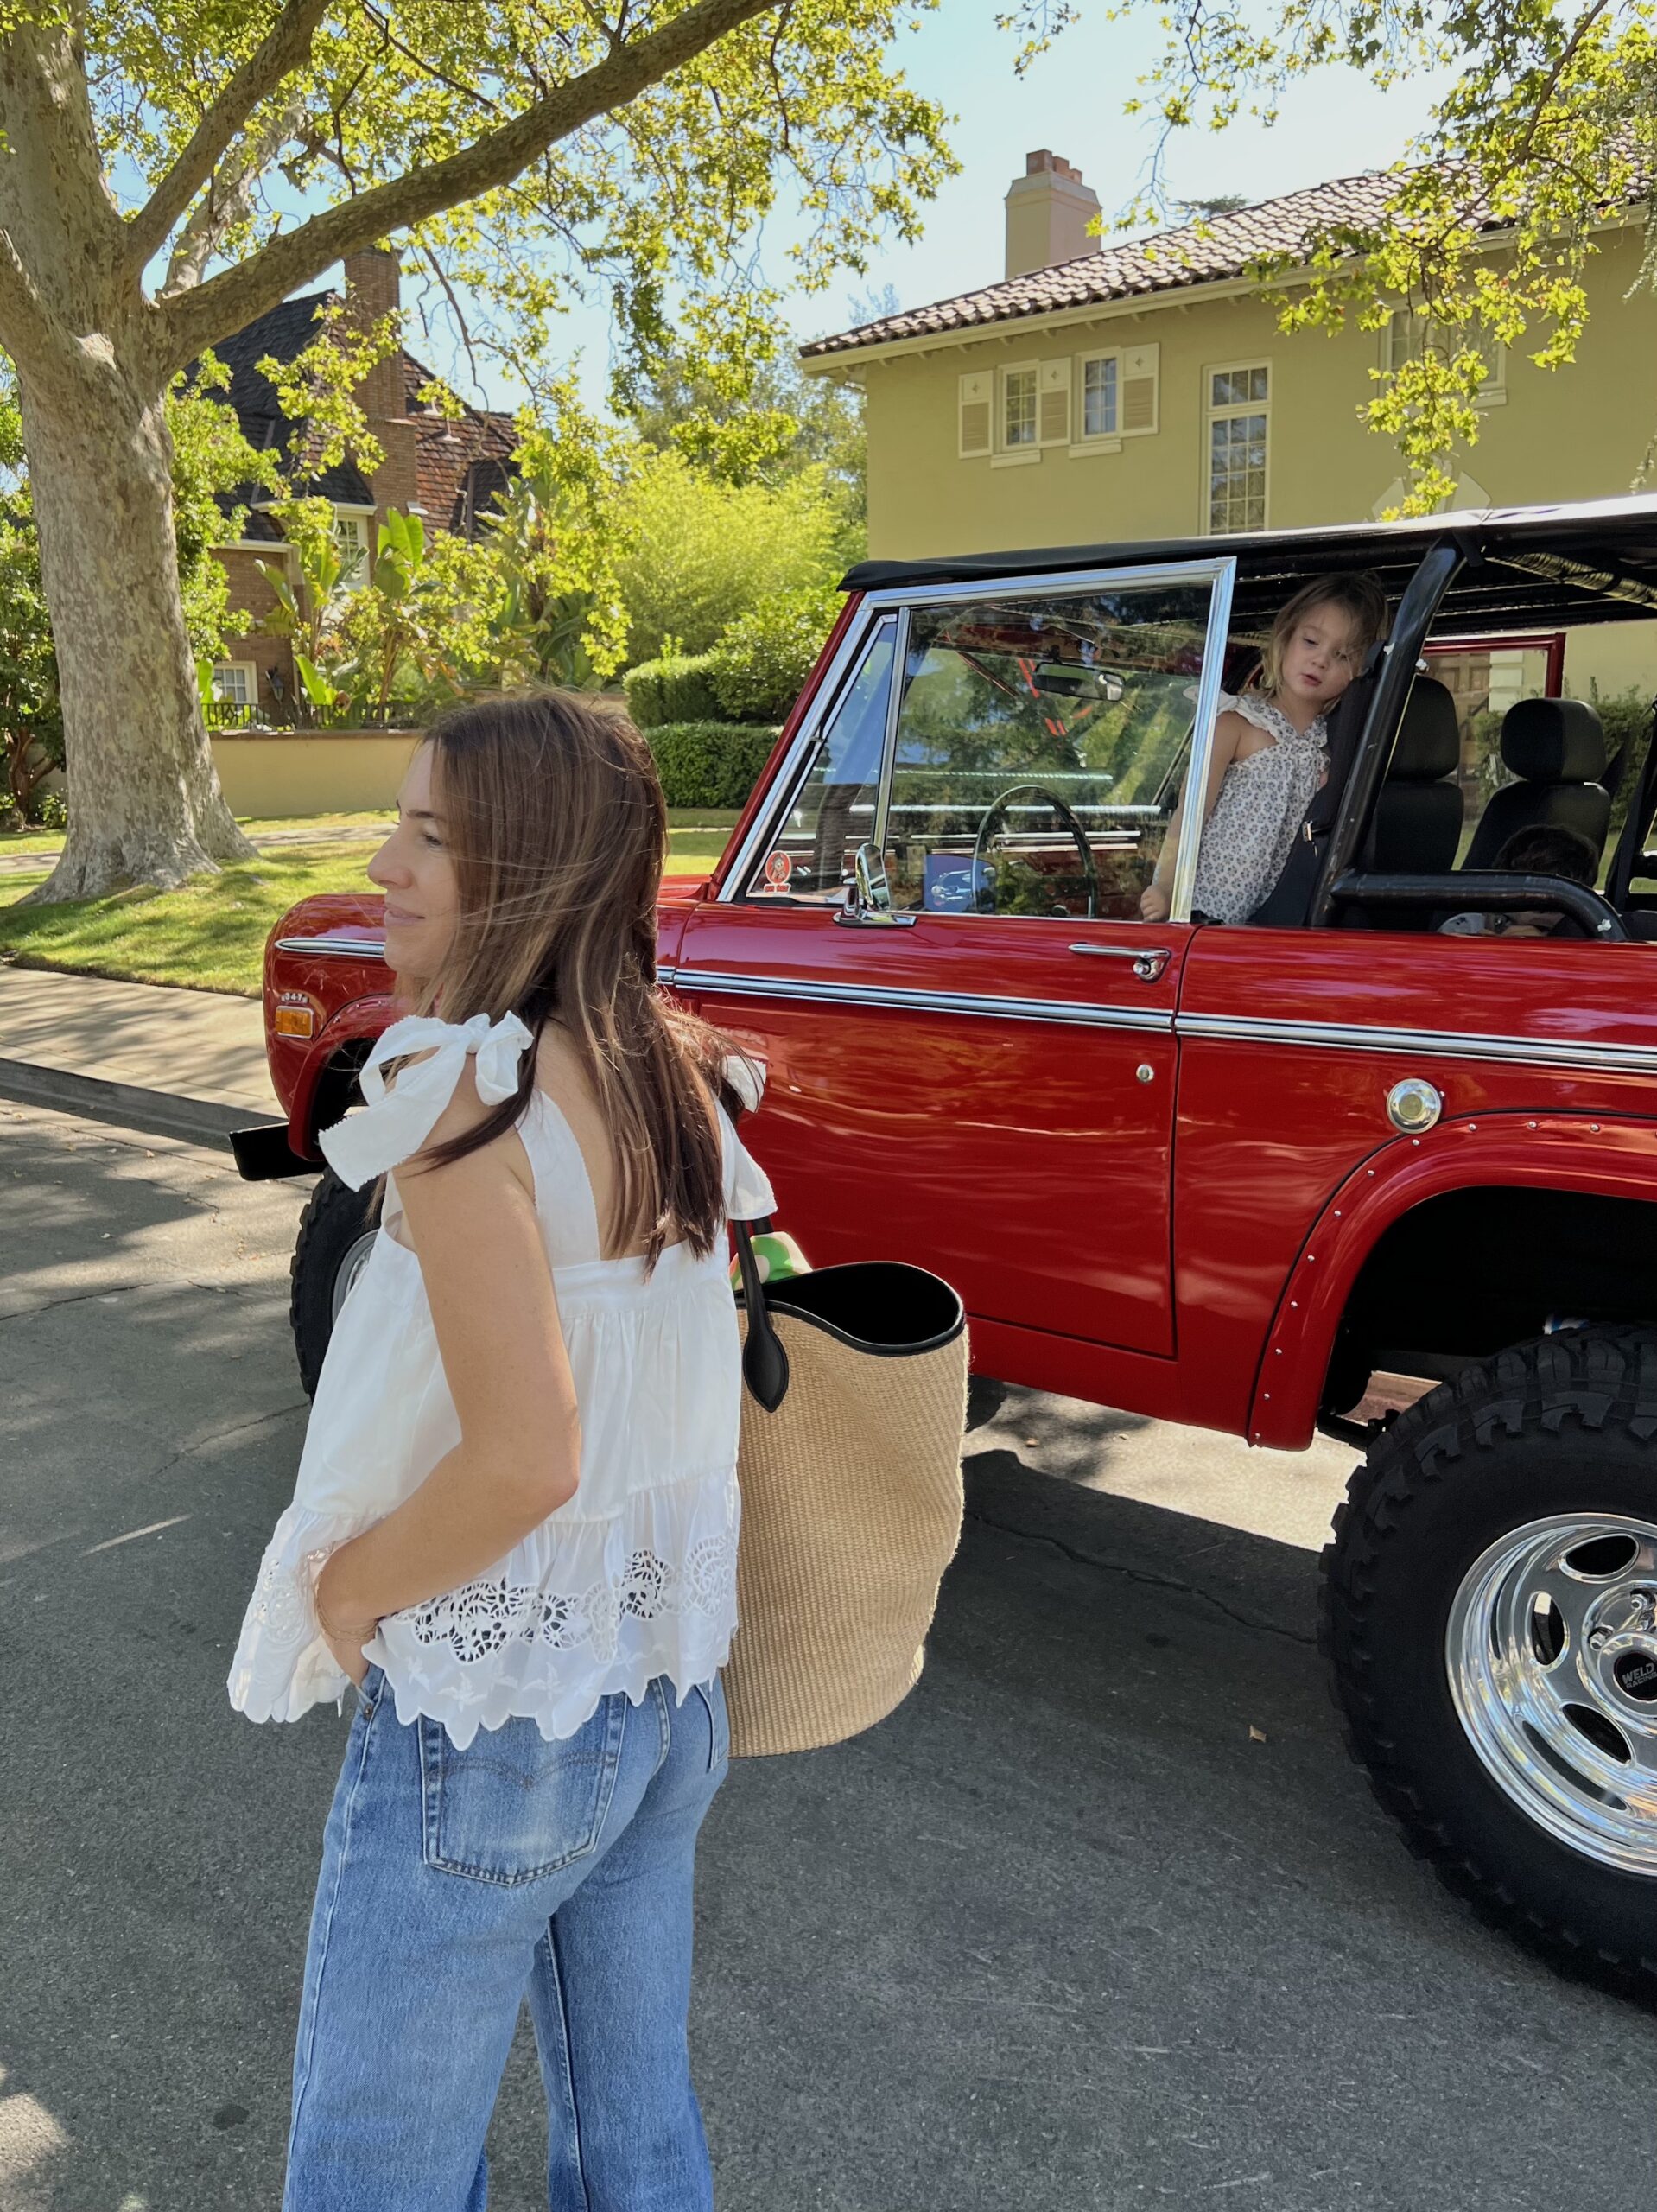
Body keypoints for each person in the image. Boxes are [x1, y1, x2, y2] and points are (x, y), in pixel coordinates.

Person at [227, 692, 773, 2211]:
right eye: (396, 824)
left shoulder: (461, 1094)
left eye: (431, 838)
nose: (387, 864)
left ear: (528, 869)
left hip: (491, 1711)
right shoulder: (669, 1066)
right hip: (662, 1698)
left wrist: (347, 1595)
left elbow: (528, 1455)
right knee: (634, 2137)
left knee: (373, 2172)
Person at [1140, 572, 1390, 924]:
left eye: (1343, 655)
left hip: (1279, 919)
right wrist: (1167, 885)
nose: (1321, 661)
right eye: (1311, 642)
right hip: (1208, 915)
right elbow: (1190, 814)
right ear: (1286, 638)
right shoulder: (1237, 723)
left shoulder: (1335, 748)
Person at [1438, 822, 1601, 937]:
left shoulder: (1589, 941)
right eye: (1503, 922)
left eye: (1540, 927)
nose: (1517, 932)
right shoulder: (1464, 929)